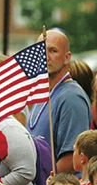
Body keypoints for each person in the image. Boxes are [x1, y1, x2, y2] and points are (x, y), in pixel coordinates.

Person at [28, 29, 91, 174]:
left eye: (53, 51)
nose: (45, 56)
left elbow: (72, 159)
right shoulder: (43, 92)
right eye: (40, 51)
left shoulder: (71, 96)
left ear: (67, 57)